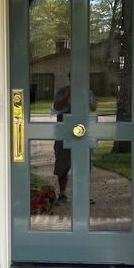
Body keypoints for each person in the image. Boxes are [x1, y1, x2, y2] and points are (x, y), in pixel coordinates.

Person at [52, 73, 97, 204]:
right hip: (64, 132)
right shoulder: (62, 91)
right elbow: (57, 107)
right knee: (62, 163)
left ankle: (83, 194)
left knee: (84, 164)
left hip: (83, 132)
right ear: (70, 78)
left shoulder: (88, 92)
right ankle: (62, 194)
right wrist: (68, 96)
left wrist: (86, 100)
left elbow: (93, 108)